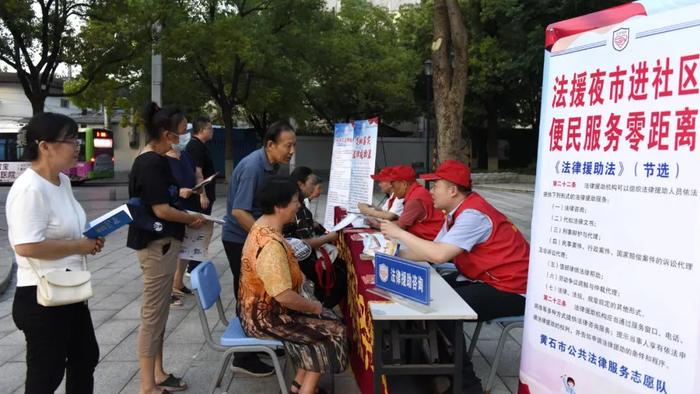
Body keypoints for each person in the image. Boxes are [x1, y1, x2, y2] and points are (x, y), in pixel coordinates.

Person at [380, 160, 529, 394]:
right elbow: (431, 249)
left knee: (444, 310)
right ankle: (436, 362)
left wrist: (399, 233)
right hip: (486, 278)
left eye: (435, 185)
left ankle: (467, 385)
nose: (431, 191)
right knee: (428, 293)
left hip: (512, 287)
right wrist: (392, 254)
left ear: (452, 190)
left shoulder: (473, 214)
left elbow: (439, 255)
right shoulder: (455, 213)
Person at [7, 112, 105, 393]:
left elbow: (69, 227)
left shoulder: (62, 181)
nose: (77, 146)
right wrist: (79, 246)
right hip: (42, 298)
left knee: (85, 358)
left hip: (70, 290)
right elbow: (26, 246)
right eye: (70, 140)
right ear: (45, 146)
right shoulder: (29, 189)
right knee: (45, 375)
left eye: (76, 139)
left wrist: (90, 237)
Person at [239, 176, 348, 394]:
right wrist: (314, 307)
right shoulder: (271, 245)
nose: (298, 206)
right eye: (294, 202)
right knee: (334, 330)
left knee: (328, 320)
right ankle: (306, 390)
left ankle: (299, 385)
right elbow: (284, 296)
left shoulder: (261, 227)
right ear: (279, 207)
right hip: (266, 318)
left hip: (258, 310)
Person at [127, 103, 205, 394]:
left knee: (159, 312)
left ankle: (157, 373)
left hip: (163, 244)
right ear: (165, 133)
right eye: (181, 133)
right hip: (156, 244)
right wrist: (190, 218)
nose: (183, 138)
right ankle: (147, 385)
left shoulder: (158, 159)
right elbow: (161, 209)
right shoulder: (150, 163)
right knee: (153, 314)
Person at [222, 120, 296, 376]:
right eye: (288, 145)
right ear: (270, 144)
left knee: (266, 293)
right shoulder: (254, 167)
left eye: (293, 145)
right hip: (238, 238)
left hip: (252, 236)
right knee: (250, 296)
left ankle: (263, 340)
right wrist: (266, 239)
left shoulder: (272, 165)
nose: (291, 151)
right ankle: (243, 357)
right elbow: (239, 211)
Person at [283, 166, 346, 307]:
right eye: (312, 184)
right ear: (300, 185)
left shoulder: (296, 206)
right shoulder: (299, 209)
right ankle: (324, 307)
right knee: (341, 271)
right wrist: (329, 238)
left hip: (296, 257)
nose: (314, 189)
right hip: (301, 260)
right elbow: (304, 242)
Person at [166, 130, 200, 306]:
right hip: (173, 206)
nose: (184, 136)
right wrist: (179, 191)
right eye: (181, 132)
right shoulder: (161, 158)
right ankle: (168, 289)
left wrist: (200, 188)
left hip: (191, 203)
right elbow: (159, 186)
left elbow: (196, 173)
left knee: (186, 247)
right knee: (173, 248)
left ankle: (178, 283)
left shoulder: (185, 155)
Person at [185, 116, 217, 274]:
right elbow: (198, 172)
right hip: (201, 196)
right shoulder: (196, 146)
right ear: (202, 130)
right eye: (210, 128)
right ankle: (193, 266)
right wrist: (202, 195)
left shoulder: (201, 145)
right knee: (200, 230)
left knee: (204, 229)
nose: (212, 131)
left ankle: (195, 263)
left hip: (206, 194)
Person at [382, 165, 443, 241]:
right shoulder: (417, 191)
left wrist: (378, 224)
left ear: (404, 184)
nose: (392, 189)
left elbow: (400, 226)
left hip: (429, 242)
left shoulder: (415, 199)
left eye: (393, 185)